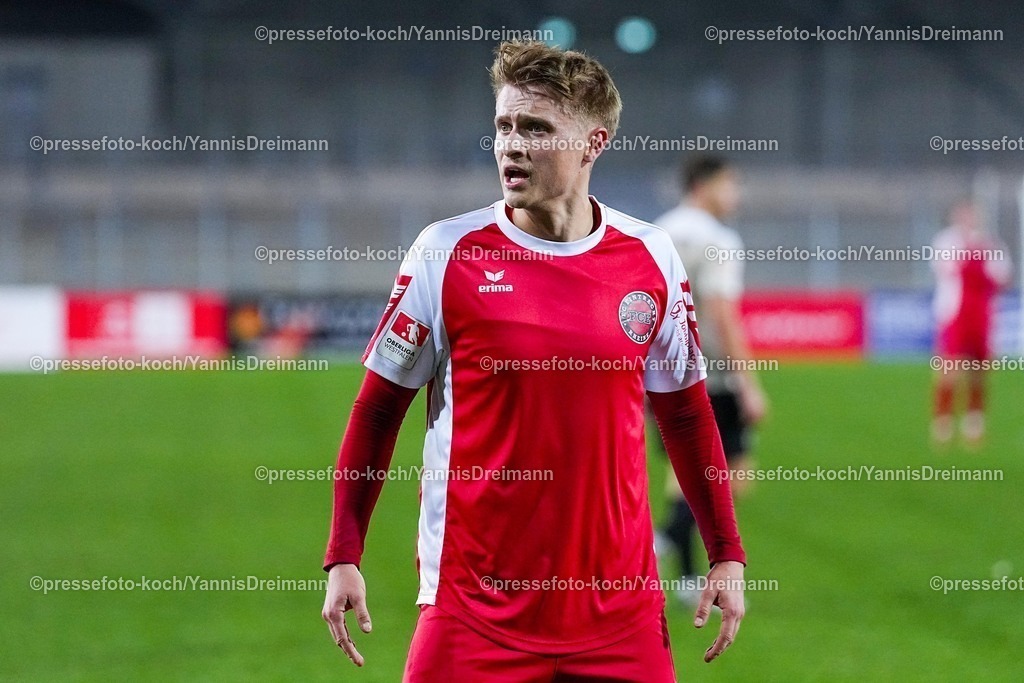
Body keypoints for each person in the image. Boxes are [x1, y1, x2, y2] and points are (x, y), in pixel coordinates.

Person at [321, 41, 746, 682]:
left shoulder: (652, 257)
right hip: (471, 612)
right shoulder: (445, 253)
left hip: (621, 615)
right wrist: (344, 552)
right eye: (503, 126)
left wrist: (725, 553)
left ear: (593, 143)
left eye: (536, 128)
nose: (511, 145)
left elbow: (685, 416)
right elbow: (379, 410)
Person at [654, 156, 766, 605]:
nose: (735, 196)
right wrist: (749, 381)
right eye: (729, 186)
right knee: (733, 474)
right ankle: (663, 536)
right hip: (714, 377)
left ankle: (683, 580)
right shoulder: (717, 238)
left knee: (681, 475)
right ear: (704, 186)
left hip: (664, 373)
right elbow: (722, 313)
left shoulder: (657, 233)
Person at [931, 200, 1011, 448]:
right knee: (949, 369)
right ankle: (942, 423)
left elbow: (1003, 277)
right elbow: (944, 269)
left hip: (982, 314)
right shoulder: (946, 242)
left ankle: (974, 423)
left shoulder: (992, 244)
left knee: (978, 372)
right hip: (955, 314)